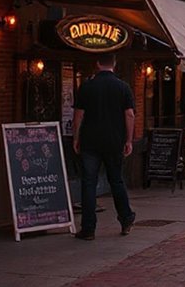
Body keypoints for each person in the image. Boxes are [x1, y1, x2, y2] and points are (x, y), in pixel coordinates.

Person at [72, 53, 136, 240]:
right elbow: (130, 115)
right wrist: (129, 140)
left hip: (90, 141)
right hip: (114, 141)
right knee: (116, 181)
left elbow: (78, 116)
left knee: (88, 183)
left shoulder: (87, 86)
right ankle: (125, 219)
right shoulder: (123, 87)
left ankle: (89, 228)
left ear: (97, 63)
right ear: (114, 64)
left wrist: (76, 138)